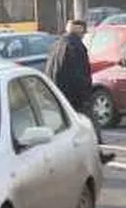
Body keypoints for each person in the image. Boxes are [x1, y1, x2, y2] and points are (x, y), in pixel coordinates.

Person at [44, 19, 115, 165]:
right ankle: (96, 155)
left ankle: (69, 158)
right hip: (75, 95)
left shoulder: (57, 44)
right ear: (80, 31)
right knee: (89, 125)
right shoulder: (76, 46)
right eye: (84, 31)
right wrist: (85, 94)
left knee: (64, 128)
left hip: (59, 93)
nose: (85, 34)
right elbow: (79, 73)